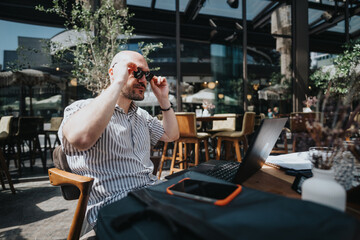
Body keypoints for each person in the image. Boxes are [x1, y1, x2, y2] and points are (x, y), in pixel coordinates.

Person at [58, 50, 179, 228]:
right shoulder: (82, 108)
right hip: (114, 207)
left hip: (152, 195)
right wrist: (118, 82)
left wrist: (163, 100)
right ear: (113, 72)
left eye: (147, 74)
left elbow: (171, 135)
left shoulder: (141, 115)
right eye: (136, 72)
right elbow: (80, 138)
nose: (143, 80)